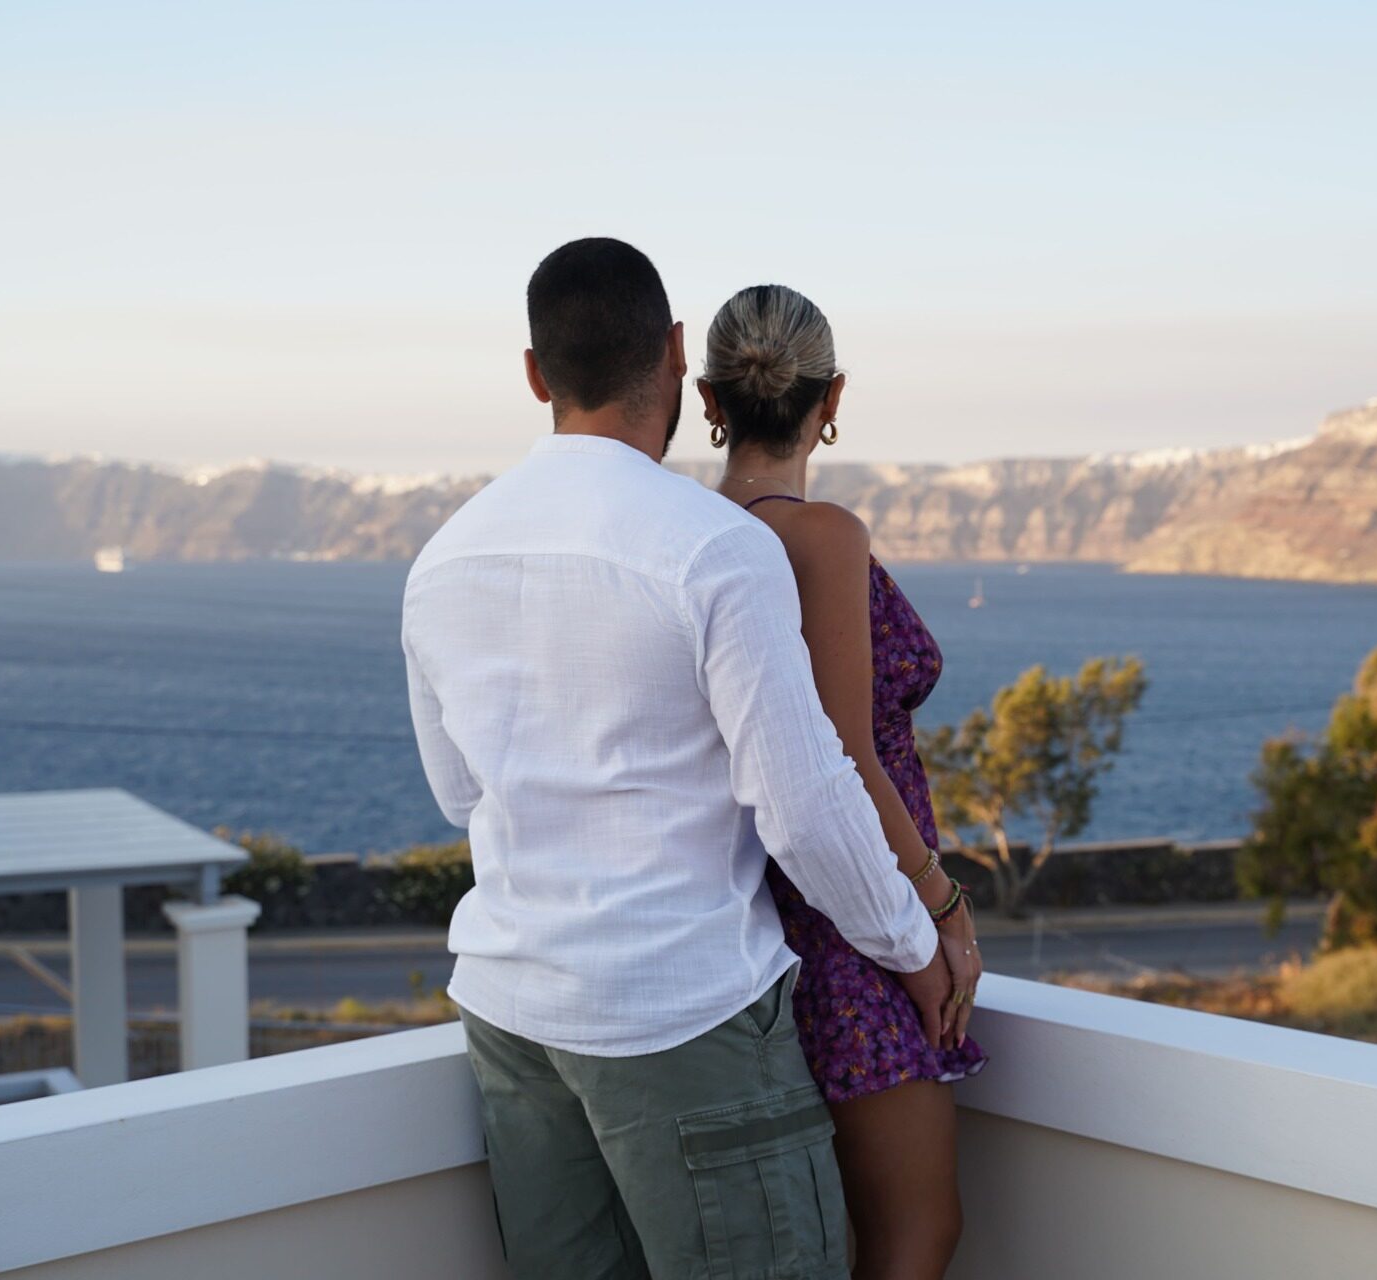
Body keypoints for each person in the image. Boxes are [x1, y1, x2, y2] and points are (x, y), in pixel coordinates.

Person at [401, 238, 961, 1280]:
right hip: (680, 1013)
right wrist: (914, 939)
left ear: (535, 375)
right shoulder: (708, 545)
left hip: (516, 1015)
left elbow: (458, 791)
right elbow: (803, 803)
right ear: (669, 352)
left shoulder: (444, 560)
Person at [699, 284, 988, 1280]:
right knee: (915, 1232)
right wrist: (940, 906)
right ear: (834, 397)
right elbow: (847, 752)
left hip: (745, 912)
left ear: (711, 397)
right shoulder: (820, 534)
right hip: (849, 921)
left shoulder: (682, 532)